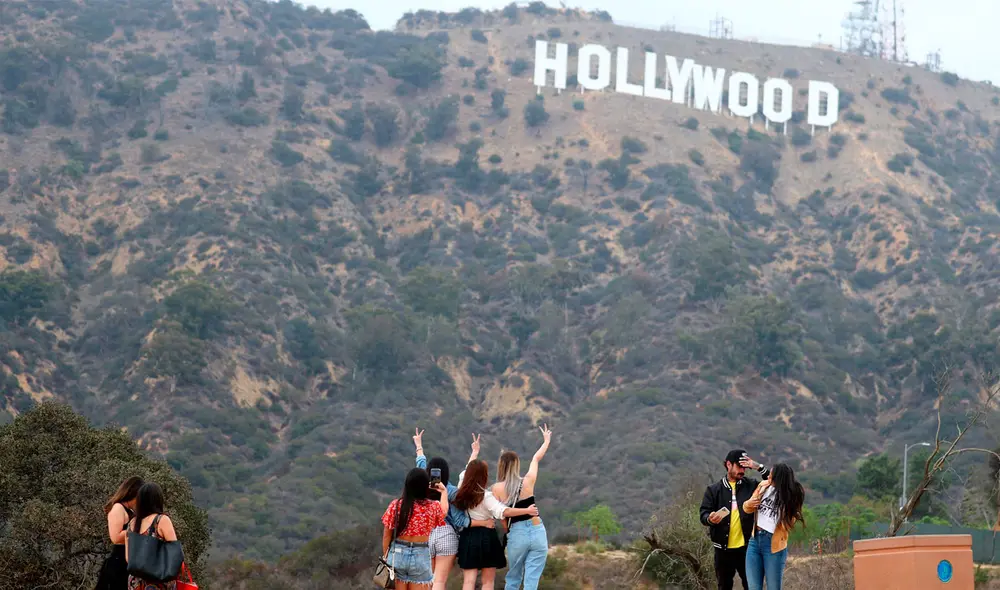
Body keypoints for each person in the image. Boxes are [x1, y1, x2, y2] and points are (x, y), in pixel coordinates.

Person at [413, 429, 501, 590]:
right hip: (446, 534)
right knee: (439, 581)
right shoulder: (452, 492)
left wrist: (419, 446)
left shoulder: (422, 484)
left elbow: (420, 465)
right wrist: (484, 523)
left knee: (427, 581)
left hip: (424, 534)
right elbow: (461, 519)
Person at [453, 459, 538, 590]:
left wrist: (474, 454)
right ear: (484, 475)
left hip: (468, 537)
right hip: (487, 537)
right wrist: (527, 510)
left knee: (468, 581)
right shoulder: (486, 496)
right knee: (488, 582)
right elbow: (504, 511)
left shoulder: (460, 493)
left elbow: (464, 474)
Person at [491, 424, 552, 590]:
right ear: (517, 465)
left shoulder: (496, 489)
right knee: (532, 581)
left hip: (517, 533)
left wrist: (507, 531)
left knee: (513, 578)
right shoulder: (528, 481)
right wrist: (546, 441)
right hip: (537, 529)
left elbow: (502, 517)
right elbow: (535, 459)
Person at [699, 449, 771, 590]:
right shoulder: (713, 490)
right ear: (728, 464)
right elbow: (703, 514)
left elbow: (773, 484)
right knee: (724, 586)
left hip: (748, 549)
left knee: (753, 586)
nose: (742, 471)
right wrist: (710, 519)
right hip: (722, 550)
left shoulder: (751, 485)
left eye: (745, 467)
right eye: (739, 466)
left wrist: (759, 467)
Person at [381, 467, 450, 589]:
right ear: (426, 486)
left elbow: (387, 535)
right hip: (421, 556)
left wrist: (386, 557)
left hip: (398, 555)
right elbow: (444, 511)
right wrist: (444, 492)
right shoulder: (432, 507)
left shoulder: (396, 505)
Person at [742, 463, 805, 590]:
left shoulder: (791, 496)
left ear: (779, 478)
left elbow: (790, 524)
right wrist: (749, 503)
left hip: (773, 545)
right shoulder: (763, 486)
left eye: (771, 476)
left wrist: (787, 508)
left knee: (773, 587)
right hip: (755, 541)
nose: (768, 478)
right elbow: (746, 508)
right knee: (753, 587)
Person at [125, 482, 179, 590]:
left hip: (136, 582)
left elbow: (128, 558)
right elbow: (175, 552)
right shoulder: (161, 520)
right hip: (158, 580)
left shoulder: (132, 524)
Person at [95, 476, 144, 590]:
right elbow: (115, 537)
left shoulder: (130, 510)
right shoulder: (118, 508)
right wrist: (138, 531)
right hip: (118, 564)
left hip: (128, 563)